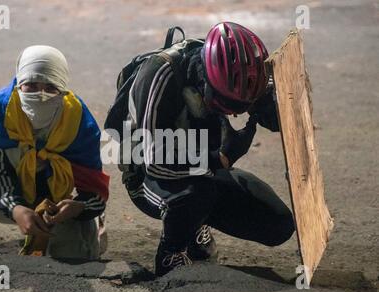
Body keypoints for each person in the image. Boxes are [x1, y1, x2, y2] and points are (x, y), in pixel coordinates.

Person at [106, 22, 295, 276]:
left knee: (278, 224)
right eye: (226, 105)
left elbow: (269, 109)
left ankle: (195, 222)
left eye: (240, 107)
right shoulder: (160, 76)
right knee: (197, 195)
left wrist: (275, 110)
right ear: (206, 81)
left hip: (202, 168)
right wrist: (221, 159)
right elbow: (155, 162)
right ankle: (171, 254)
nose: (234, 113)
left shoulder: (234, 72)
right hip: (148, 174)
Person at [0, 45, 109, 259]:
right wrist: (16, 208)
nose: (41, 95)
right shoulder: (1, 108)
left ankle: (86, 233)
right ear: (19, 84)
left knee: (75, 258)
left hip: (55, 207)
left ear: (63, 89)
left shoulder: (77, 120)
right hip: (0, 197)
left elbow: (95, 189)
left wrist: (79, 206)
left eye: (51, 87)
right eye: (31, 85)